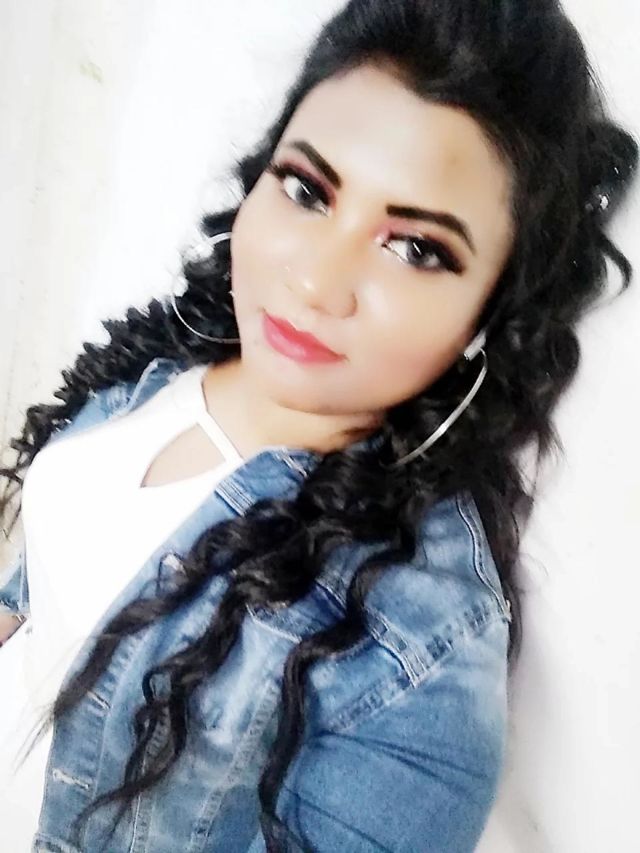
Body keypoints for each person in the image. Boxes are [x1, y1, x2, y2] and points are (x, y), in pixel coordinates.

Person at [0, 0, 637, 850]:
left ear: (489, 315)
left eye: (415, 248)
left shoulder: (417, 648)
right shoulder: (173, 356)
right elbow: (47, 586)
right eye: (307, 190)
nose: (315, 281)